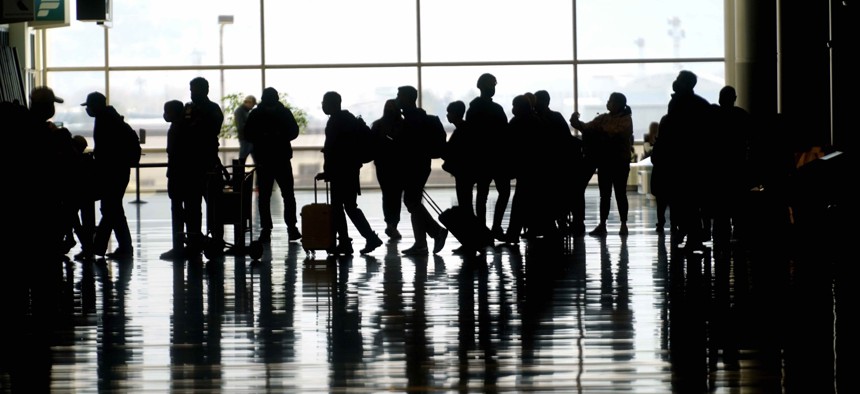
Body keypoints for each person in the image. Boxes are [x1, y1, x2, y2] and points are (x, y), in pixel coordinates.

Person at [315, 91, 383, 256]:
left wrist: (328, 171)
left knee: (340, 208)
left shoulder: (336, 122)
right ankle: (358, 239)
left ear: (332, 104)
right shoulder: (349, 119)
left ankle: (349, 241)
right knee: (349, 206)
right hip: (350, 169)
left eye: (324, 102)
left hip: (341, 171)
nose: (322, 105)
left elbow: (333, 150)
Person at [570, 92, 634, 236]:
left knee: (619, 194)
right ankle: (603, 224)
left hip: (618, 162)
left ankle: (623, 224)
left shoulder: (625, 120)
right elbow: (587, 127)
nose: (608, 103)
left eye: (610, 101)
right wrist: (576, 122)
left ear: (617, 104)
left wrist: (596, 129)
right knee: (605, 195)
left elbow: (614, 132)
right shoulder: (604, 118)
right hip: (606, 161)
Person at [82, 91, 137, 259]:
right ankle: (119, 247)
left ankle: (99, 247)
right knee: (113, 209)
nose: (88, 110)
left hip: (112, 172)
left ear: (96, 105)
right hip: (119, 171)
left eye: (89, 106)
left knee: (110, 208)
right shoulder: (112, 118)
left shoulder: (105, 120)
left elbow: (106, 151)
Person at [244, 87, 302, 243]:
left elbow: (247, 134)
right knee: (288, 194)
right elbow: (294, 131)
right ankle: (291, 227)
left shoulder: (256, 114)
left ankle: (266, 229)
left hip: (264, 159)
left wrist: (263, 137)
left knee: (264, 196)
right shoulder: (284, 113)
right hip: (281, 158)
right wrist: (280, 136)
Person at [395, 85, 448, 255]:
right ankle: (422, 242)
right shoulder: (420, 118)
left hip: (413, 166)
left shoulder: (410, 120)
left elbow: (405, 145)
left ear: (407, 99)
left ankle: (435, 233)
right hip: (421, 164)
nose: (397, 99)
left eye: (399, 96)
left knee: (411, 201)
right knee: (413, 201)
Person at [466, 73, 511, 240]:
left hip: (482, 158)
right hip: (497, 158)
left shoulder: (473, 109)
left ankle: (482, 228)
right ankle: (495, 226)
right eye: (491, 85)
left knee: (482, 194)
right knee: (503, 192)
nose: (492, 88)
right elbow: (505, 134)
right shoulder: (496, 109)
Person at [185, 77, 226, 253]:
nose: (192, 94)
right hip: (193, 163)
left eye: (195, 90)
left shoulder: (212, 109)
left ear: (205, 90)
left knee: (214, 205)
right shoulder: (191, 108)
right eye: (191, 90)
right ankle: (194, 240)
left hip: (208, 163)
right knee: (192, 206)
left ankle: (216, 240)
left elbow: (209, 130)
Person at [160, 99, 195, 260]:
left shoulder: (177, 128)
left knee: (177, 210)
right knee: (191, 210)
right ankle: (192, 245)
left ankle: (178, 246)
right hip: (189, 175)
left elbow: (173, 152)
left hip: (177, 174)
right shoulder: (188, 127)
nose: (165, 115)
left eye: (167, 111)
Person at [370, 99, 405, 241]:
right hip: (399, 166)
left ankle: (390, 223)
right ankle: (393, 224)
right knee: (396, 196)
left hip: (383, 166)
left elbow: (371, 144)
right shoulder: (403, 125)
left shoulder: (378, 125)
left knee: (387, 195)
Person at [68, 134, 97, 261]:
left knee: (74, 219)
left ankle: (86, 247)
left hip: (76, 193)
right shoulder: (87, 160)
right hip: (88, 193)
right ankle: (89, 248)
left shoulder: (72, 160)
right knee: (88, 221)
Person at [234, 95, 257, 165]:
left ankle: (240, 174)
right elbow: (241, 126)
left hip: (247, 138)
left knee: (244, 158)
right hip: (245, 138)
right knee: (242, 159)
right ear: (248, 102)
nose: (253, 107)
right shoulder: (240, 111)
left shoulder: (245, 111)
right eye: (252, 105)